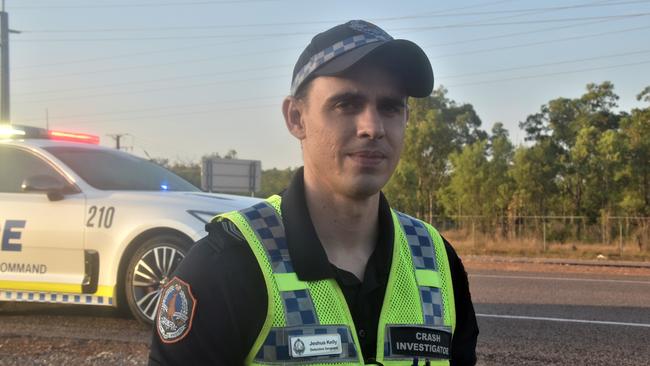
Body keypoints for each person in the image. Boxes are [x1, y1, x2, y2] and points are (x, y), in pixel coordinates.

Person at [149, 20, 478, 366]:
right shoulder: (229, 264)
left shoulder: (435, 259)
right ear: (296, 118)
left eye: (390, 107)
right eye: (346, 104)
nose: (373, 127)